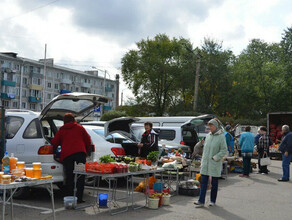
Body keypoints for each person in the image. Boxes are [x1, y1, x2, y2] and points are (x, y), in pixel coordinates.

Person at [51, 113, 91, 203]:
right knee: (80, 176)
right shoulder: (80, 128)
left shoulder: (62, 130)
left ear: (64, 121)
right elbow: (88, 140)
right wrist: (86, 151)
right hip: (80, 155)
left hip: (67, 156)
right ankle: (79, 198)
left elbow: (54, 142)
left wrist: (54, 151)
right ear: (73, 119)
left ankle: (70, 197)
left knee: (69, 176)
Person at [194, 118, 227, 208]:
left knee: (214, 183)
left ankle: (212, 200)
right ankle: (201, 201)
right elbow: (205, 149)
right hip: (205, 163)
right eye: (209, 126)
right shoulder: (208, 135)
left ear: (216, 126)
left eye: (211, 125)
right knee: (203, 182)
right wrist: (203, 159)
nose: (210, 127)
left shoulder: (221, 136)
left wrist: (215, 157)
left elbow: (224, 150)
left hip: (214, 163)